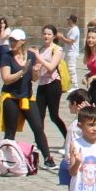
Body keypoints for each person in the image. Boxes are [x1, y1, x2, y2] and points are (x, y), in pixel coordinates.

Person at [32, 24, 68, 154]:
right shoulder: (41, 50)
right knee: (38, 115)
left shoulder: (57, 49)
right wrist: (35, 71)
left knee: (54, 115)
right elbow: (35, 77)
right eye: (44, 34)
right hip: (42, 85)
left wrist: (38, 57)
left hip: (53, 84)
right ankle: (39, 141)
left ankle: (68, 138)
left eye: (49, 34)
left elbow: (51, 67)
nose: (46, 36)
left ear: (53, 36)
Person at [0, 27, 34, 141]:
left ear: (23, 41)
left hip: (27, 96)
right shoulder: (6, 56)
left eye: (15, 41)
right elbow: (6, 79)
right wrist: (22, 72)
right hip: (10, 96)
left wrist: (37, 70)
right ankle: (6, 151)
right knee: (10, 129)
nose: (12, 43)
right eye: (11, 40)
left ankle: (47, 157)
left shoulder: (31, 55)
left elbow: (35, 78)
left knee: (38, 127)